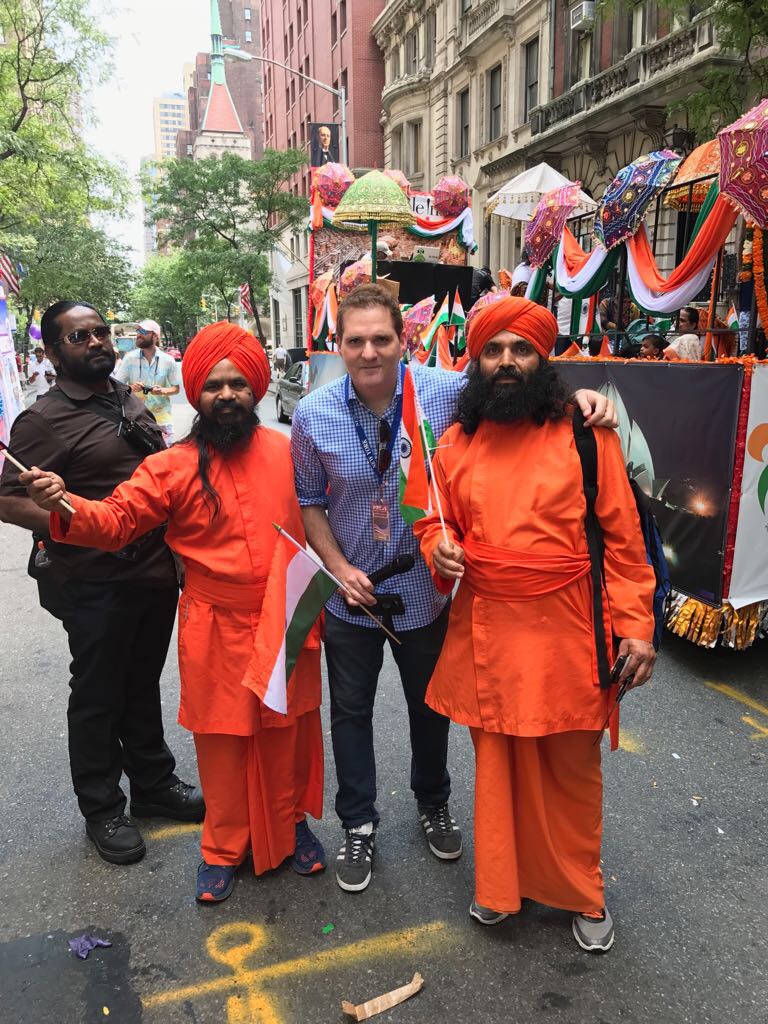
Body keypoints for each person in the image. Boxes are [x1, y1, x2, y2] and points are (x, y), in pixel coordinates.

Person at [290, 284, 617, 894]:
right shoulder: (312, 414)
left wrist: (580, 400)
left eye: (381, 339)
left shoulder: (443, 394)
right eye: (356, 341)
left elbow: (518, 392)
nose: (369, 352)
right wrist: (337, 568)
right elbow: (310, 501)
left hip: (427, 592)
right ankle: (357, 822)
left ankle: (433, 803)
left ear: (403, 340)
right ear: (339, 344)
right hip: (352, 594)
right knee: (350, 713)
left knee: (430, 708)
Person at [21, 321, 326, 903]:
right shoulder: (171, 466)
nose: (227, 395)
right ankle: (223, 846)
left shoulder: (289, 452)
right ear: (196, 394)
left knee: (288, 730)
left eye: (239, 384)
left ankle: (290, 824)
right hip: (214, 624)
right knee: (222, 739)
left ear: (257, 388)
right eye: (213, 386)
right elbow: (115, 522)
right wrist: (65, 504)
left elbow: (326, 515)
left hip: (287, 613)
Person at [413, 295, 656, 953]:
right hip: (485, 629)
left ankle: (581, 893)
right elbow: (430, 515)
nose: (506, 361)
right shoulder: (453, 442)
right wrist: (437, 544)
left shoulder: (587, 435)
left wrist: (636, 627)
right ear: (475, 361)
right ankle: (501, 887)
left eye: (521, 349)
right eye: (493, 350)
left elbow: (624, 540)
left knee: (570, 773)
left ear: (542, 359)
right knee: (497, 770)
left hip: (567, 632)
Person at [0, 301, 203, 865]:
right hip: (93, 582)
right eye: (78, 337)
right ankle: (102, 806)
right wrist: (76, 524)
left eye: (99, 332)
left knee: (141, 682)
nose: (95, 342)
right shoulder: (41, 421)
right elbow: (8, 500)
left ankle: (153, 784)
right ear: (51, 352)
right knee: (98, 692)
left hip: (152, 572)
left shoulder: (125, 396)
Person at [114, 319, 181, 445]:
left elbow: (176, 389)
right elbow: (116, 386)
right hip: (136, 420)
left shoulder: (168, 360)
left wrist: (161, 391)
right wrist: (130, 388)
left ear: (155, 336)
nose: (139, 334)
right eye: (138, 331)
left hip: (162, 420)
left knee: (164, 454)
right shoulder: (129, 358)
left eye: (144, 331)